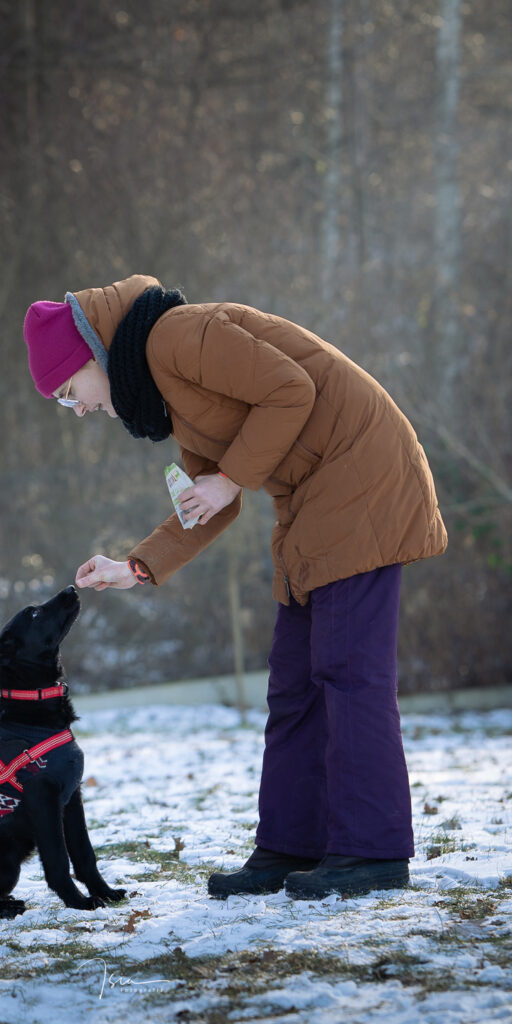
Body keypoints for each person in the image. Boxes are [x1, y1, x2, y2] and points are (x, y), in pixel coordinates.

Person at [23, 274, 447, 900]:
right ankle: (289, 845)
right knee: (293, 682)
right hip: (313, 498)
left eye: (68, 393)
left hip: (363, 473)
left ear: (90, 353)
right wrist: (136, 566)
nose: (78, 408)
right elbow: (210, 502)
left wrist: (228, 480)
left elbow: (290, 390)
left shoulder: (177, 336)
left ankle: (371, 850)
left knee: (348, 671)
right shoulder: (163, 390)